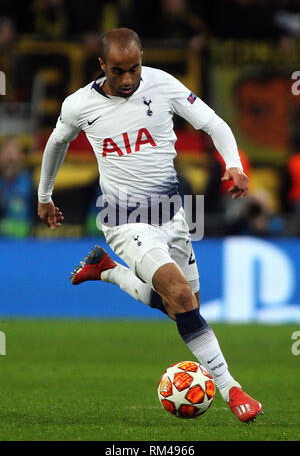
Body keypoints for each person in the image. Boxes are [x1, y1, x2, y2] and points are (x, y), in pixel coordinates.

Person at [37, 27, 262, 423]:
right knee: (178, 293)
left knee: (185, 307)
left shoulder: (162, 85)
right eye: (118, 71)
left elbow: (214, 124)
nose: (127, 80)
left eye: (134, 69)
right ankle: (233, 391)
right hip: (123, 220)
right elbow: (57, 144)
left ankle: (107, 271)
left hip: (174, 215)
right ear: (102, 65)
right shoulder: (79, 105)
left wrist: (233, 165)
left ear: (142, 60)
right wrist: (44, 196)